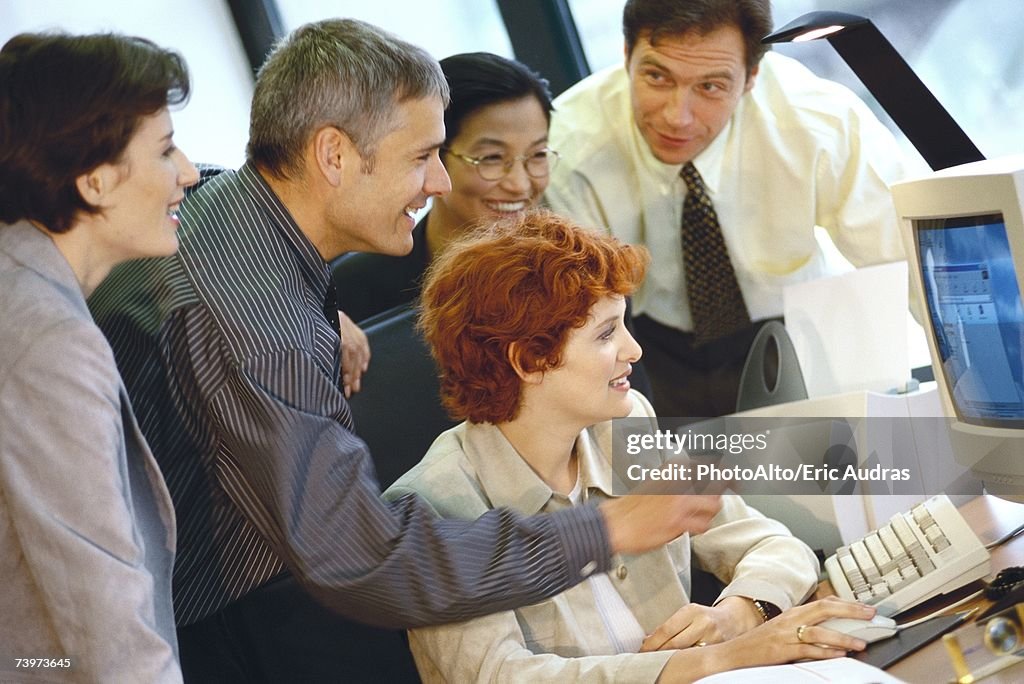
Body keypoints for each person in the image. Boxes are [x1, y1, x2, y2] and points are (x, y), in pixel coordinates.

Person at [88, 19, 724, 682]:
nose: (440, 183)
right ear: (333, 156)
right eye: (422, 157)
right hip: (194, 625)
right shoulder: (264, 329)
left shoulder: (226, 216)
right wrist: (606, 529)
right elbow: (362, 561)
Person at [384, 209, 876, 682]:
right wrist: (719, 660)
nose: (634, 350)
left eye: (623, 323)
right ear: (529, 361)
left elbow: (772, 543)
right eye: (605, 334)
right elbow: (504, 677)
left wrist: (740, 613)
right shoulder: (432, 506)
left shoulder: (623, 426)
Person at [546, 0, 914, 418]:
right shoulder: (570, 147)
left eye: (710, 87)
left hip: (793, 325)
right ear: (626, 55)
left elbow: (909, 258)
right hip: (646, 341)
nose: (677, 117)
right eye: (656, 76)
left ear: (752, 76)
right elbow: (579, 314)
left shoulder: (818, 123)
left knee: (817, 467)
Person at [0, 32, 198, 682]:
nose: (190, 174)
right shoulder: (45, 338)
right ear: (94, 180)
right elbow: (104, 620)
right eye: (166, 150)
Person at [334, 51, 555, 324]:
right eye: (491, 158)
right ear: (431, 156)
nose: (520, 185)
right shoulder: (353, 291)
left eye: (537, 155)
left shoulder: (568, 273)